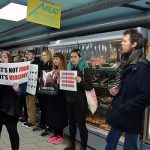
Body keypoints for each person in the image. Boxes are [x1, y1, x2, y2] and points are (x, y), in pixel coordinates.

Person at [105, 29, 150, 150]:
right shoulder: (124, 63)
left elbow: (145, 96)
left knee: (130, 146)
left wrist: (125, 107)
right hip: (119, 114)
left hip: (130, 116)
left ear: (134, 44)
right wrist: (114, 91)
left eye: (124, 41)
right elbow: (123, 86)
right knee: (110, 143)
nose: (121, 43)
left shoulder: (142, 67)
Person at [64, 49, 93, 150]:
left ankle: (83, 146)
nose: (72, 59)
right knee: (71, 124)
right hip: (69, 100)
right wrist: (61, 82)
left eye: (75, 57)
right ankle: (72, 144)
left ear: (80, 58)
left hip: (80, 101)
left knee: (81, 125)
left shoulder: (85, 70)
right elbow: (66, 86)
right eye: (71, 57)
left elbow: (89, 87)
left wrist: (80, 81)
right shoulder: (69, 69)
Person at [46, 52, 68, 144]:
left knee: (60, 116)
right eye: (54, 59)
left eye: (57, 59)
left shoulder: (65, 71)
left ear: (61, 60)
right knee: (53, 115)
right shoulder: (52, 71)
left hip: (61, 98)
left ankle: (60, 135)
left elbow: (67, 87)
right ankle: (55, 134)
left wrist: (60, 82)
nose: (55, 61)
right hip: (52, 97)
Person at [0, 52, 20, 150]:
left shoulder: (17, 72)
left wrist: (17, 89)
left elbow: (23, 91)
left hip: (10, 108)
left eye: (5, 57)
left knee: (12, 133)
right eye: (1, 57)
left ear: (10, 58)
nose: (3, 59)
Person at [33, 49, 53, 136]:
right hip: (41, 89)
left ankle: (48, 127)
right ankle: (42, 124)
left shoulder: (51, 64)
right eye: (42, 55)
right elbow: (38, 74)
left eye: (45, 55)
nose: (43, 57)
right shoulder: (41, 64)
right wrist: (38, 78)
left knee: (48, 108)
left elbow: (52, 77)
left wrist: (43, 79)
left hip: (48, 90)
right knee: (42, 107)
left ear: (49, 56)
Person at [22, 50, 39, 128]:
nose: (27, 55)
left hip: (33, 87)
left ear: (34, 55)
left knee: (31, 105)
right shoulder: (27, 64)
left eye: (29, 54)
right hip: (27, 86)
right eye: (27, 54)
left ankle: (32, 121)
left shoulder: (37, 64)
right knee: (27, 105)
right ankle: (29, 119)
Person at [14, 55, 28, 123]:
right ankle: (20, 114)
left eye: (16, 61)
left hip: (23, 88)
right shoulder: (15, 68)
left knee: (24, 103)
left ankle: (24, 116)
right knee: (19, 103)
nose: (14, 62)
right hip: (18, 89)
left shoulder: (23, 68)